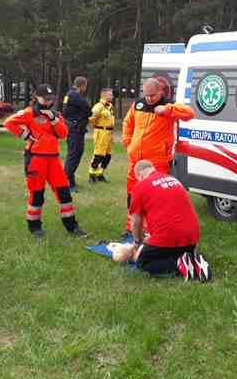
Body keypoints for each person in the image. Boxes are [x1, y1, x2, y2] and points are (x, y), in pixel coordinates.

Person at [4, 84, 88, 239]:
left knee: (64, 193)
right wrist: (24, 134)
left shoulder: (56, 115)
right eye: (45, 98)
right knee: (37, 194)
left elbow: (63, 134)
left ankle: (72, 227)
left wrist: (53, 119)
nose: (49, 101)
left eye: (51, 99)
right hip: (35, 159)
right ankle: (35, 227)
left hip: (53, 160)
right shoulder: (29, 113)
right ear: (37, 97)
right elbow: (8, 122)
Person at [122, 78, 194, 231]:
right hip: (136, 160)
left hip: (157, 162)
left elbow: (189, 113)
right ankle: (131, 228)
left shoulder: (169, 105)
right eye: (146, 95)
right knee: (133, 194)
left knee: (154, 197)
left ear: (160, 91)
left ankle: (151, 230)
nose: (149, 98)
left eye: (152, 95)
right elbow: (128, 124)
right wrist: (129, 144)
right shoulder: (138, 104)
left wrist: (167, 110)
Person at [128, 160, 211, 281]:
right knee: (172, 250)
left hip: (169, 238)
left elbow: (135, 222)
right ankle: (192, 260)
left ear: (140, 176)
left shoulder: (140, 186)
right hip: (192, 238)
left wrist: (137, 241)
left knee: (143, 262)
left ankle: (178, 265)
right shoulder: (173, 179)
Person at [61, 76, 92, 192]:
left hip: (75, 128)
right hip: (75, 129)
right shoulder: (75, 95)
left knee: (75, 155)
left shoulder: (69, 94)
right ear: (82, 85)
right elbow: (88, 109)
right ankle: (65, 184)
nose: (86, 88)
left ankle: (71, 182)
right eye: (85, 86)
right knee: (74, 155)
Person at [87, 88, 115, 183]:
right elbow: (91, 118)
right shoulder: (98, 106)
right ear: (104, 96)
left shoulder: (109, 106)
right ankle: (92, 174)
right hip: (101, 132)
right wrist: (95, 123)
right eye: (110, 95)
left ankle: (100, 173)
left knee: (107, 155)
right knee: (99, 154)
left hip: (109, 133)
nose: (112, 96)